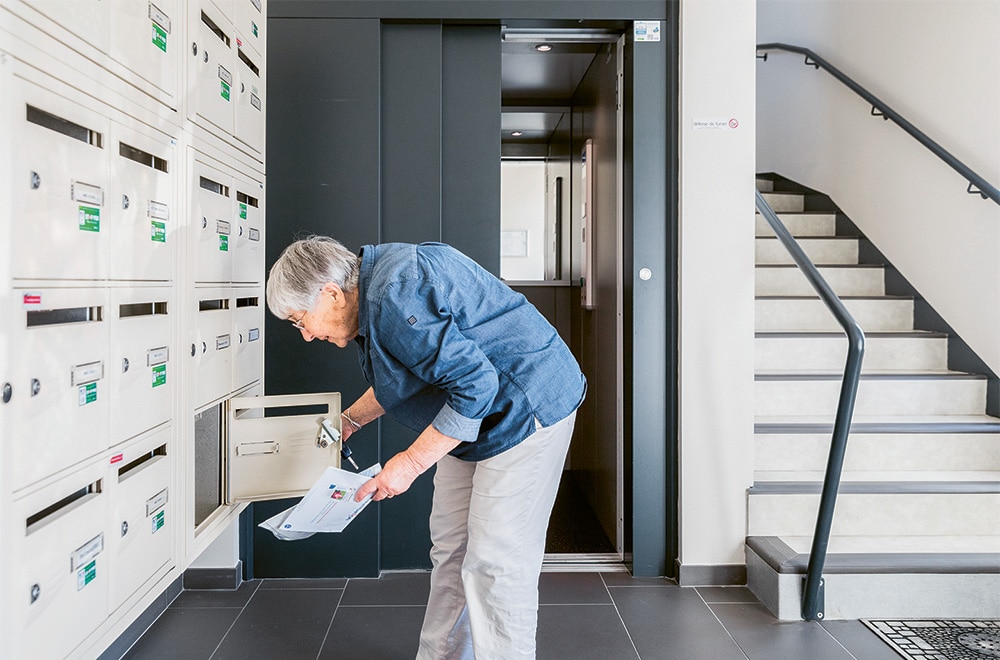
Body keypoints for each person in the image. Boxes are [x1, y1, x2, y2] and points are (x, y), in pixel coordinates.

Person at [266, 236, 586, 659]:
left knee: (495, 562)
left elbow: (476, 386)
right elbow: (410, 370)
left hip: (526, 406)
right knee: (452, 547)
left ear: (330, 294)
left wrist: (411, 462)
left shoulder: (397, 294)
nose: (306, 335)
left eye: (300, 319)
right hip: (478, 416)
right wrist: (349, 421)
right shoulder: (375, 291)